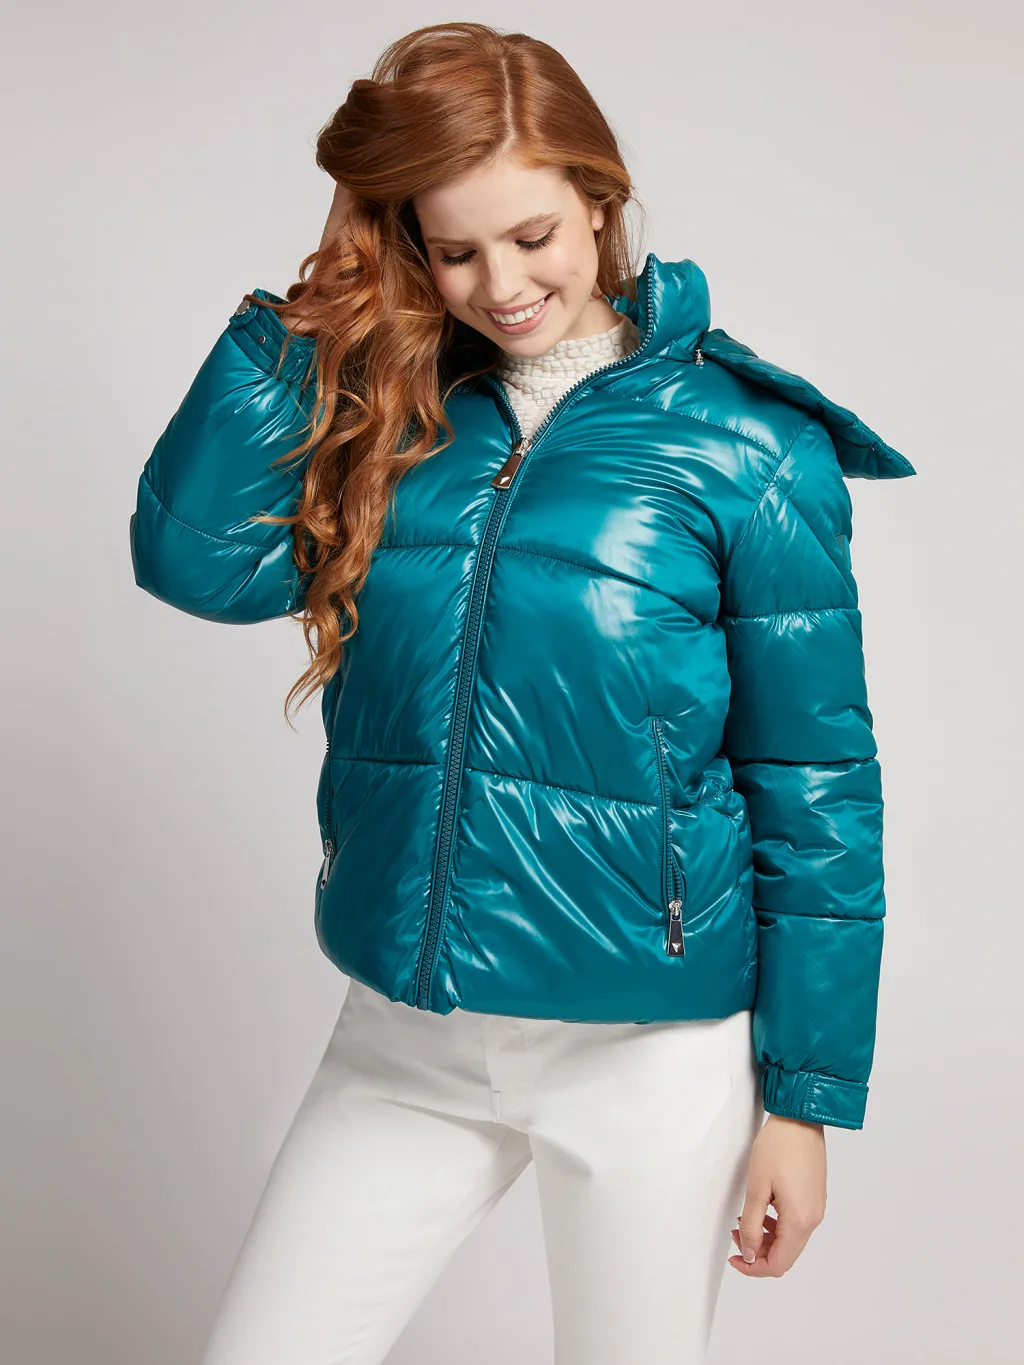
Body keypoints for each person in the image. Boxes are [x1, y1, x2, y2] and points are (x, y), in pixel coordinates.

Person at [128, 21, 915, 1365]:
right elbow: (194, 563)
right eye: (454, 250)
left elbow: (816, 786)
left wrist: (805, 1101)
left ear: (600, 203)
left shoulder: (750, 448)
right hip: (406, 1032)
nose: (501, 284)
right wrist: (304, 319)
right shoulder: (400, 419)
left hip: (646, 1050)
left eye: (534, 235)